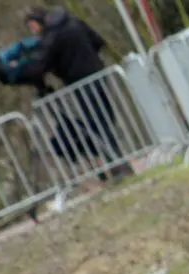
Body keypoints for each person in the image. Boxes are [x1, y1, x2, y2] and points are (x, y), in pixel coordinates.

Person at [18, 7, 131, 179]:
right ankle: (118, 163)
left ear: (40, 22)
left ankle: (117, 165)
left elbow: (40, 66)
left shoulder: (52, 37)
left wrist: (17, 71)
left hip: (81, 82)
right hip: (98, 74)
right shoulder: (74, 22)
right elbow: (98, 41)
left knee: (97, 124)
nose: (33, 32)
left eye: (33, 26)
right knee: (105, 119)